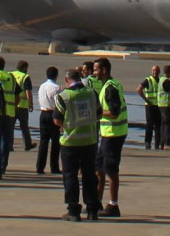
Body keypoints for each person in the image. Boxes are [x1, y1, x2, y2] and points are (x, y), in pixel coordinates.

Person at [54, 67, 101, 221]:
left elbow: (57, 120)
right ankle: (92, 208)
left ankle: (73, 210)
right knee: (89, 175)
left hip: (70, 142)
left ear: (67, 80)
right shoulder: (91, 93)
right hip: (89, 141)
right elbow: (99, 113)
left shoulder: (64, 96)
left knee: (70, 176)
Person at [92, 59, 127, 217]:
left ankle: (113, 204)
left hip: (114, 134)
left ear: (104, 70)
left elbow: (114, 112)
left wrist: (96, 113)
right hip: (106, 134)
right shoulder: (108, 85)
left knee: (111, 170)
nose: (94, 73)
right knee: (99, 168)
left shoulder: (110, 88)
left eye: (96, 70)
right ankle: (97, 201)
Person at [35, 66, 62, 175]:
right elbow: (58, 103)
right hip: (53, 113)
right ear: (56, 75)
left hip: (43, 113)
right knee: (55, 142)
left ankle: (40, 167)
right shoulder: (56, 88)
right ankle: (54, 167)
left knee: (43, 141)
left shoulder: (42, 86)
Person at [139, 66, 164, 149]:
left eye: (156, 70)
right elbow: (139, 89)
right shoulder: (148, 80)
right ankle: (147, 142)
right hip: (149, 106)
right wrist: (146, 100)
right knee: (149, 125)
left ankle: (157, 143)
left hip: (158, 106)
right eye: (153, 70)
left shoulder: (161, 80)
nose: (155, 72)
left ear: (159, 71)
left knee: (158, 125)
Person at [156, 66, 170, 150]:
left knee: (163, 124)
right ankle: (166, 143)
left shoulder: (161, 80)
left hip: (163, 104)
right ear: (169, 71)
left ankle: (162, 143)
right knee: (168, 124)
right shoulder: (166, 81)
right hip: (165, 105)